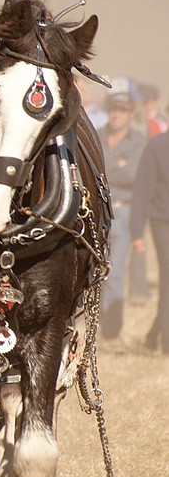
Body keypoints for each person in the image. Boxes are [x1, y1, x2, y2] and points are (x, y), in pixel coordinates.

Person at [97, 87, 147, 339]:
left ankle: (112, 328)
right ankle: (93, 321)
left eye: (122, 111)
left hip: (122, 213)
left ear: (130, 114)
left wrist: (106, 172)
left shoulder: (138, 141)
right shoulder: (96, 136)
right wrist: (118, 168)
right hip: (96, 213)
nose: (117, 115)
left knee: (114, 272)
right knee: (93, 270)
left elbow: (134, 175)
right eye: (114, 110)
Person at [131, 129, 169, 355]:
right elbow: (142, 190)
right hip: (163, 222)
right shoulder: (157, 147)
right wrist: (137, 232)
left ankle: (155, 332)